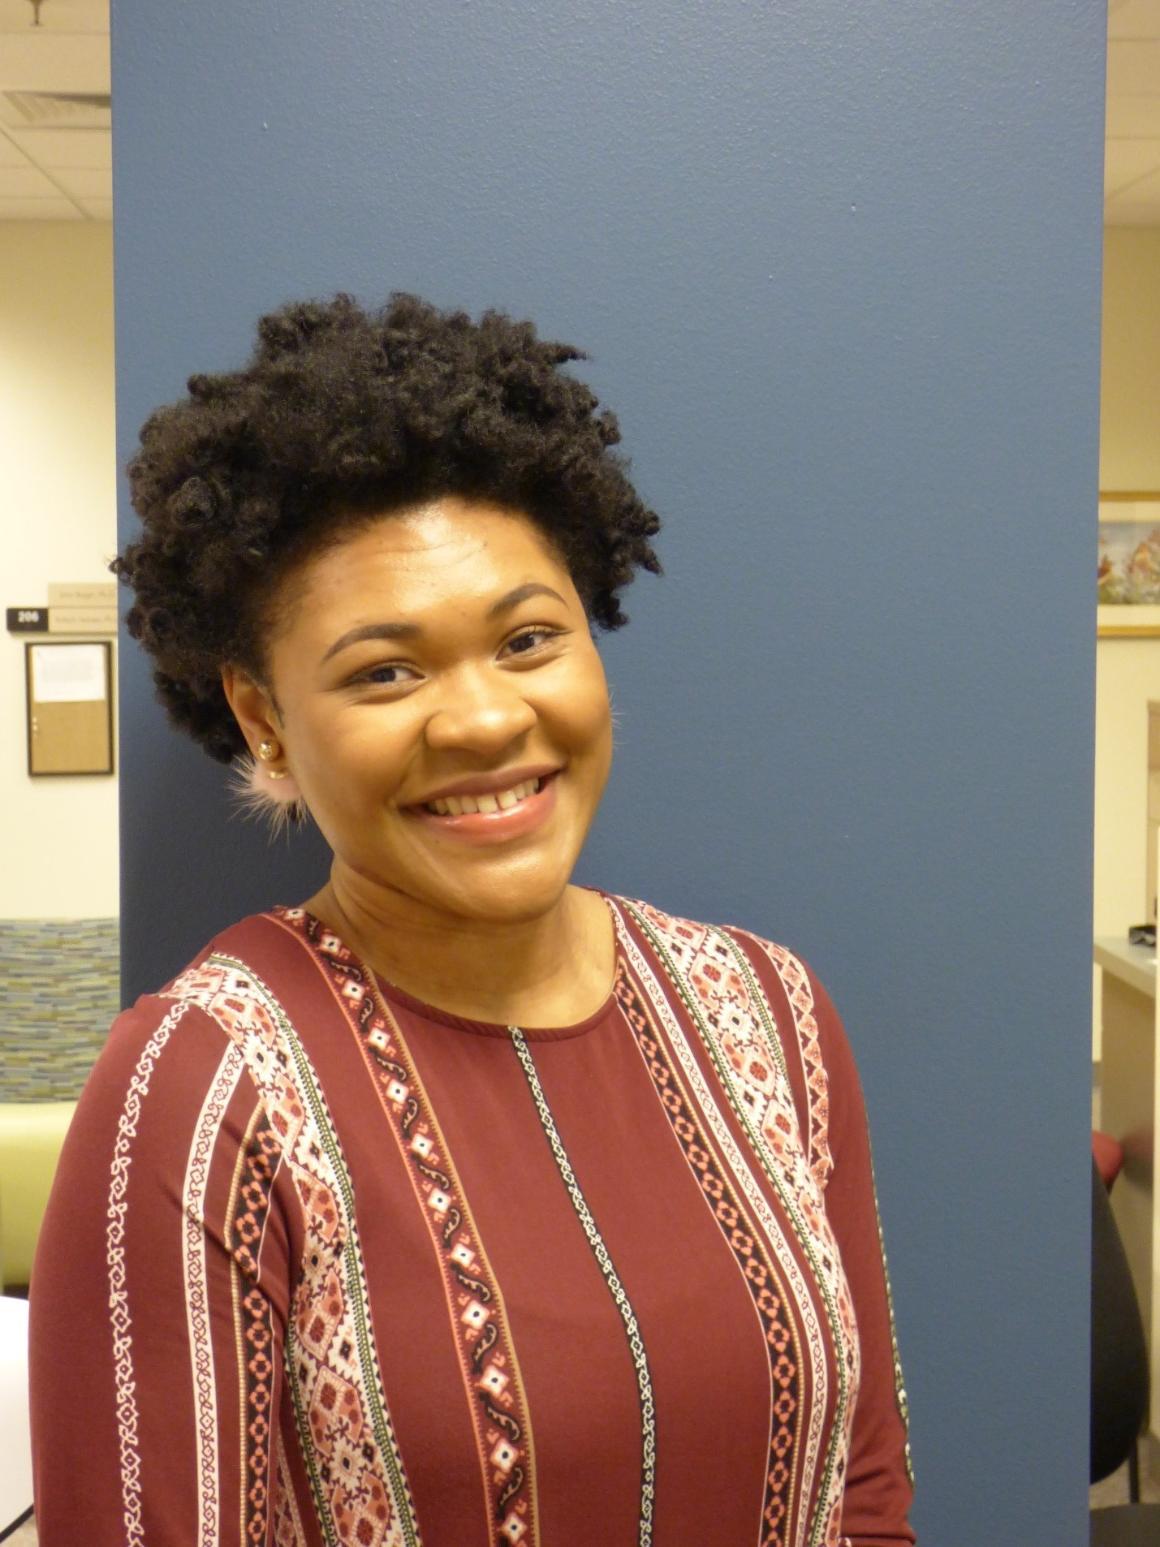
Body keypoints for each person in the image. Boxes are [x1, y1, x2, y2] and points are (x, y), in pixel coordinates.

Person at [29, 293, 915, 1547]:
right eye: (385, 669)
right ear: (264, 716)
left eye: (527, 638)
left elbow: (861, 1484)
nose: (485, 719)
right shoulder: (206, 1085)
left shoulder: (765, 1010)